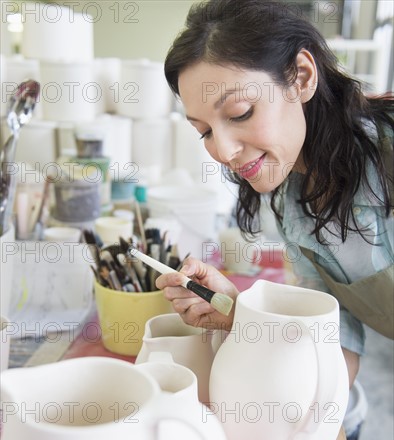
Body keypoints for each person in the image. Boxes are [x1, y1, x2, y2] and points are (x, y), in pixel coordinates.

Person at [155, 0, 394, 388]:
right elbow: (333, 336)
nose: (224, 151)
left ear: (300, 77)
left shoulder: (386, 152)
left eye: (240, 112)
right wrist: (240, 313)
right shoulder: (290, 199)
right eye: (205, 131)